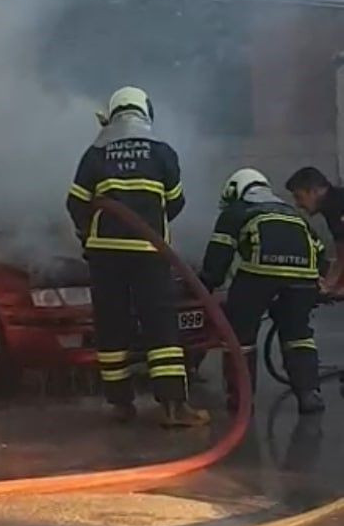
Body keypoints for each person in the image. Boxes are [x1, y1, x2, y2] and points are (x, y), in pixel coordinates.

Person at [66, 85, 208, 428]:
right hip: (148, 253)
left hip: (104, 256)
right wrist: (150, 223)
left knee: (112, 325)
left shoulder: (95, 151)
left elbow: (76, 202)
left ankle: (120, 405)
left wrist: (89, 235)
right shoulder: (161, 151)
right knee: (160, 326)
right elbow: (176, 201)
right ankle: (174, 408)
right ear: (145, 111)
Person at [200, 168, 325, 415]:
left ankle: (241, 400)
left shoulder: (236, 211)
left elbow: (218, 258)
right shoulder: (293, 214)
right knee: (298, 334)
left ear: (237, 191)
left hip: (258, 275)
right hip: (302, 279)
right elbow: (319, 252)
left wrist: (204, 288)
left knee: (240, 336)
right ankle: (309, 395)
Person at [285, 166, 344, 294]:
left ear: (314, 191)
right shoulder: (333, 207)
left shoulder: (338, 206)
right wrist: (330, 284)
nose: (298, 204)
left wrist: (331, 285)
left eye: (299, 197)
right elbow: (341, 249)